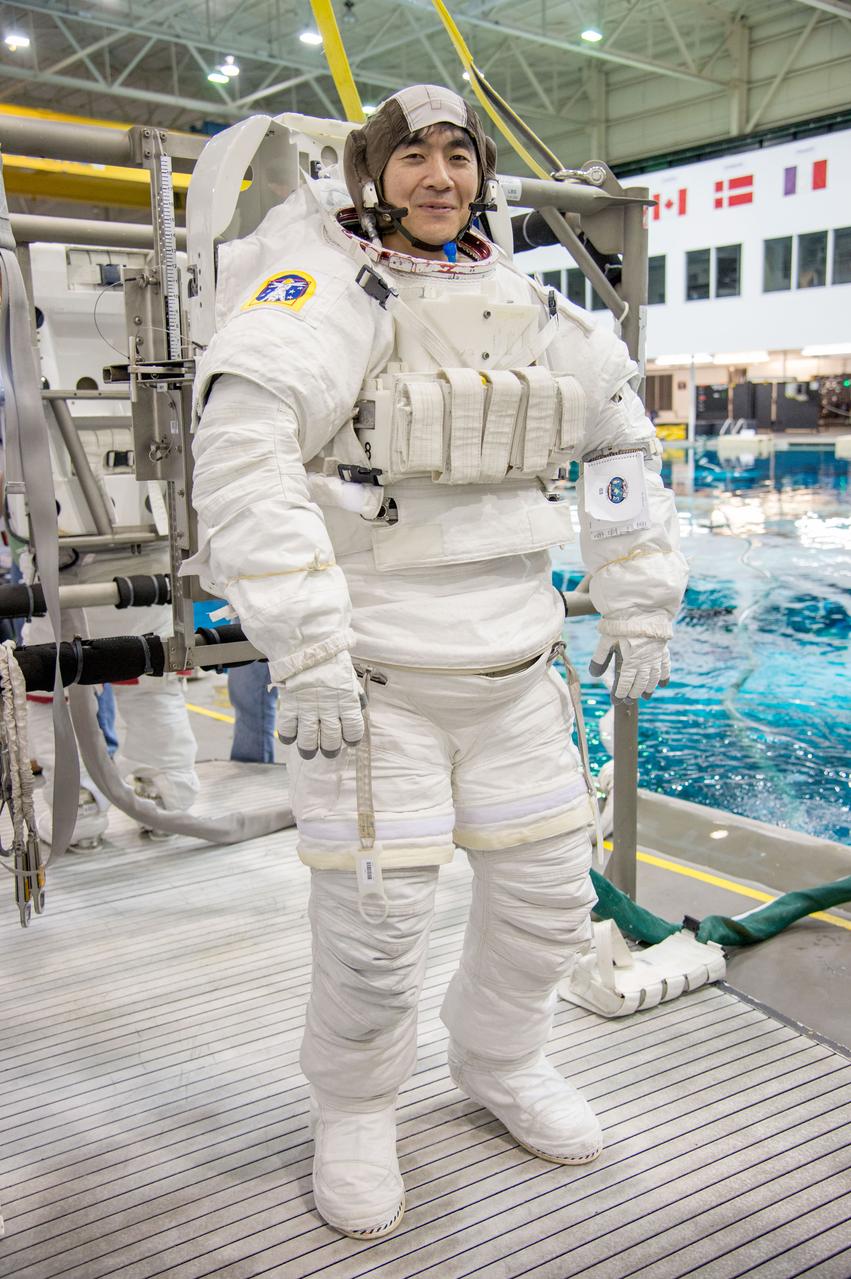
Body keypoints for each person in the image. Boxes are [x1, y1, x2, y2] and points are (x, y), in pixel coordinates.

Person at [188, 84, 688, 1239]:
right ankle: (356, 1111)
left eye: (456, 156)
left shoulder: (523, 299)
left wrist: (638, 599)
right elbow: (248, 460)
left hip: (516, 670)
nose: (437, 177)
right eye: (410, 155)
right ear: (372, 175)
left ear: (479, 176)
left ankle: (500, 1060)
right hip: (372, 681)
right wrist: (306, 650)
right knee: (375, 930)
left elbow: (617, 443)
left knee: (548, 903)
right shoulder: (316, 297)